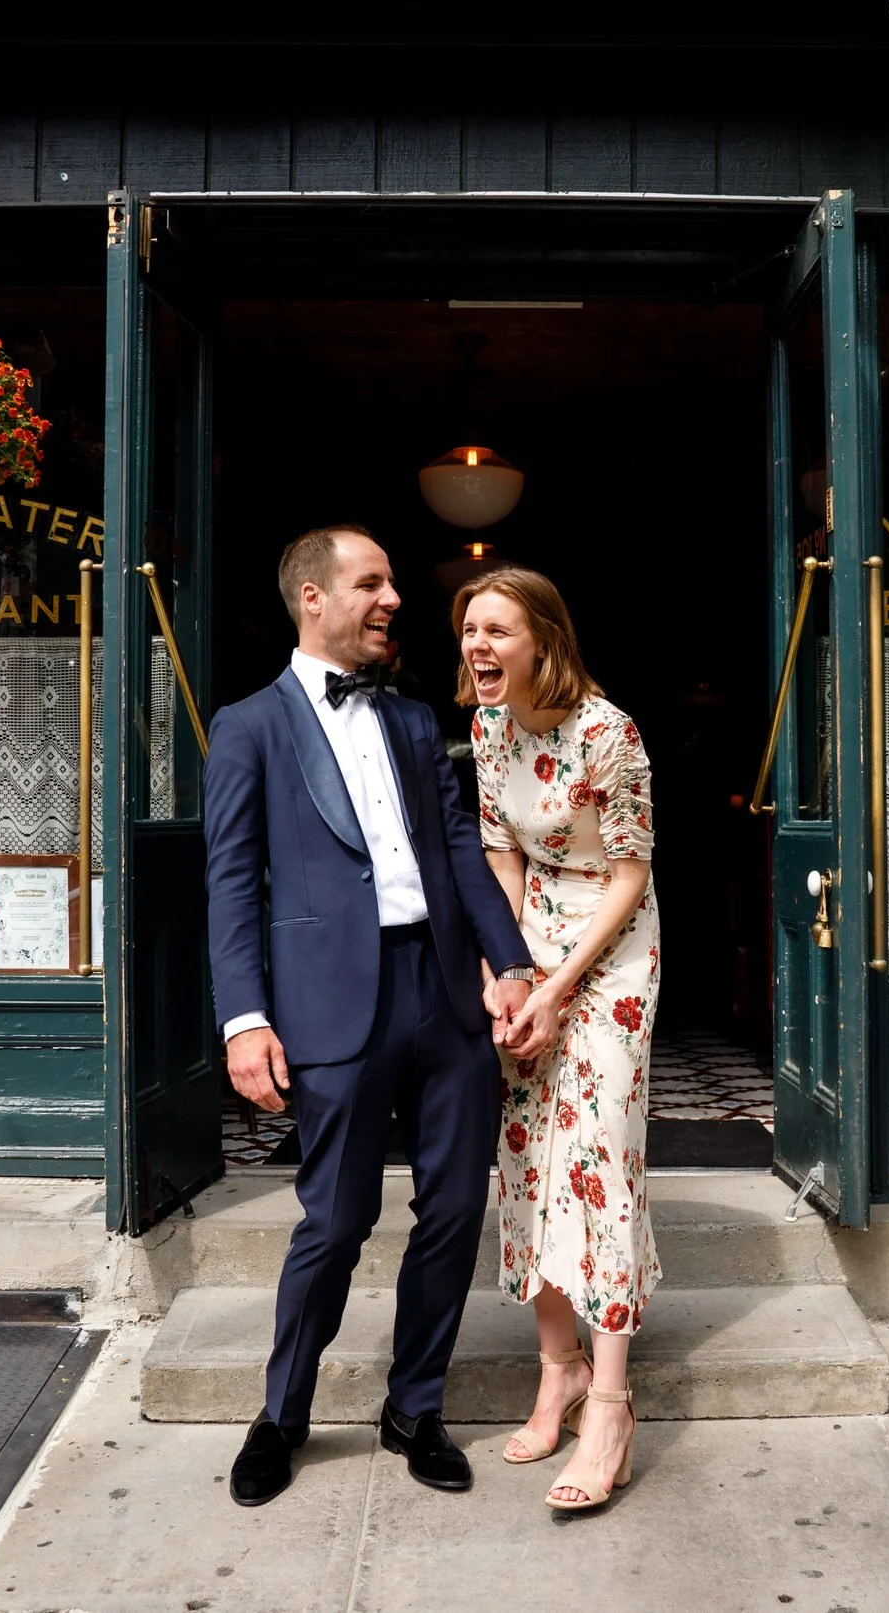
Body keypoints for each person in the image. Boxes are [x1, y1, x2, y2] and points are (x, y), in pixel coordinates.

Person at [205, 525, 545, 1508]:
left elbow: (461, 853)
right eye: (371, 582)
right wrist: (243, 1019)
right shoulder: (248, 725)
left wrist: (509, 963)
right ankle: (281, 1414)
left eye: (390, 581)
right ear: (313, 597)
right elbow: (230, 884)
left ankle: (415, 1405)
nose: (393, 596)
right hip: (326, 1002)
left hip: (442, 993)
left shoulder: (406, 721)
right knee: (336, 1218)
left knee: (450, 1211)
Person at [458, 563, 661, 1513]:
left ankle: (612, 1403)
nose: (478, 647)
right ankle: (559, 1368)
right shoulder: (488, 725)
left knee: (601, 1158)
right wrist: (504, 973)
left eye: (497, 630)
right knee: (530, 1154)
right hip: (531, 934)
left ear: (543, 637)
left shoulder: (609, 732)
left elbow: (627, 876)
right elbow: (501, 855)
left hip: (611, 951)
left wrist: (562, 982)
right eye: (470, 631)